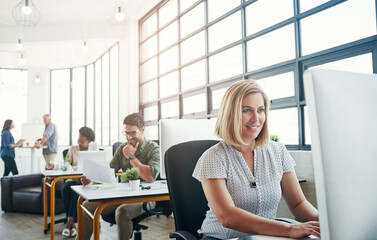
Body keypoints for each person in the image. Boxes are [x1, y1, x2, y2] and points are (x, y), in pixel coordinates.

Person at [192, 80, 320, 239]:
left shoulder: (278, 151)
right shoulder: (213, 157)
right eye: (246, 110)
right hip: (222, 237)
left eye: (261, 110)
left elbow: (298, 204)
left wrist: (325, 222)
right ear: (230, 114)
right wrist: (289, 230)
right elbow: (227, 217)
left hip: (265, 237)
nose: (256, 118)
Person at [80, 113, 160, 240]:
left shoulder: (154, 148)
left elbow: (149, 177)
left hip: (145, 197)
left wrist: (131, 157)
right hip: (122, 195)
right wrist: (93, 180)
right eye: (126, 133)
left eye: (133, 133)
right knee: (86, 205)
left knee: (122, 212)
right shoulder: (123, 148)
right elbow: (109, 172)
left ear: (142, 129)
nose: (129, 137)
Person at [45, 127, 97, 237]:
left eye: (82, 138)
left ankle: (69, 224)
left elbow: (96, 165)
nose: (79, 140)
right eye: (79, 137)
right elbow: (66, 164)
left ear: (88, 139)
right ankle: (72, 223)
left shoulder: (94, 148)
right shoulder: (73, 148)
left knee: (75, 191)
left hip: (86, 182)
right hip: (72, 179)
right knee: (65, 188)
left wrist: (76, 167)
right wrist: (53, 166)